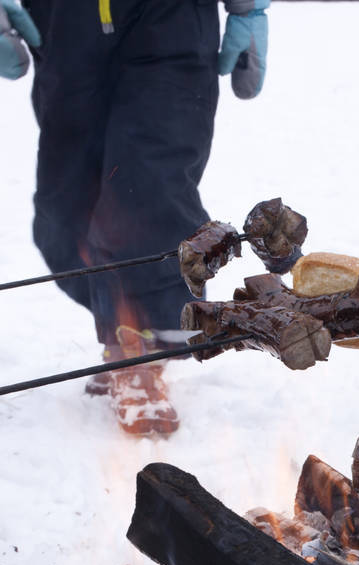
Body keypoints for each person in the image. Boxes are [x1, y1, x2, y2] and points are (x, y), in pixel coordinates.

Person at [0, 0, 269, 435]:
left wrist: (248, 7)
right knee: (66, 205)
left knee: (145, 187)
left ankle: (140, 349)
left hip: (171, 17)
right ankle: (122, 334)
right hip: (62, 20)